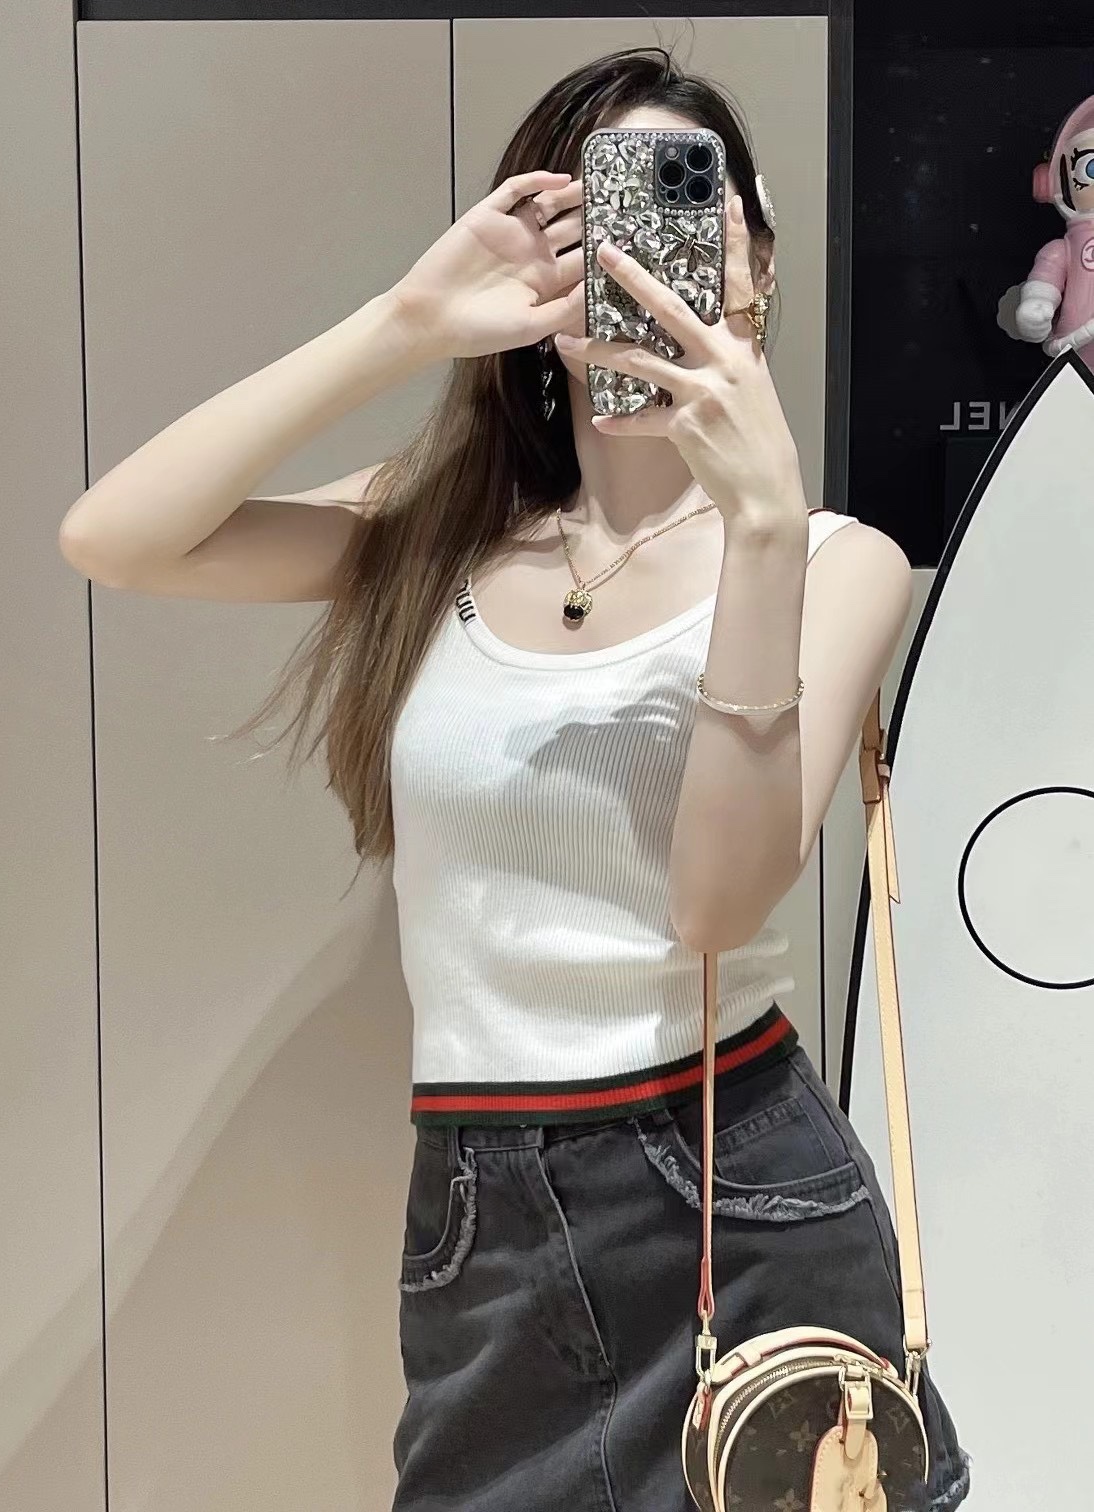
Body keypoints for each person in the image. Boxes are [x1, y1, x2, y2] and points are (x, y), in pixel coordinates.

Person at [59, 45, 970, 1512]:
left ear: (759, 264)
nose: (650, 256)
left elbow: (715, 908)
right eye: (598, 221)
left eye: (692, 210)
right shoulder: (439, 540)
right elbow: (115, 537)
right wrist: (403, 325)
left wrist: (754, 533)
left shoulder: (827, 561)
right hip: (479, 1205)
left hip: (735, 1190)